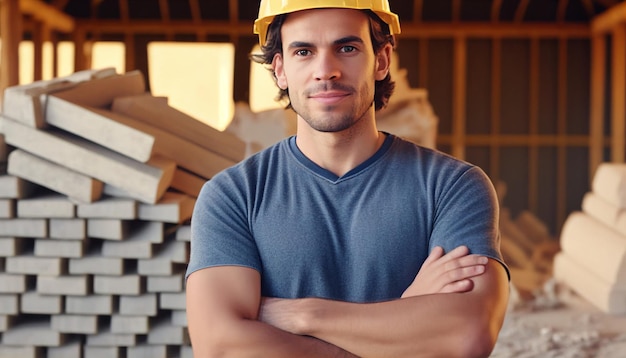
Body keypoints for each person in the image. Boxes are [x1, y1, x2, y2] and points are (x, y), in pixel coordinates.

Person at [185, 0, 510, 356]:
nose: (326, 70)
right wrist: (402, 318)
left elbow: (466, 335)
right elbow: (220, 347)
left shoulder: (452, 187)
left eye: (347, 48)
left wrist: (303, 315)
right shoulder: (234, 196)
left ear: (382, 60)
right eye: (304, 51)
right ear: (280, 70)